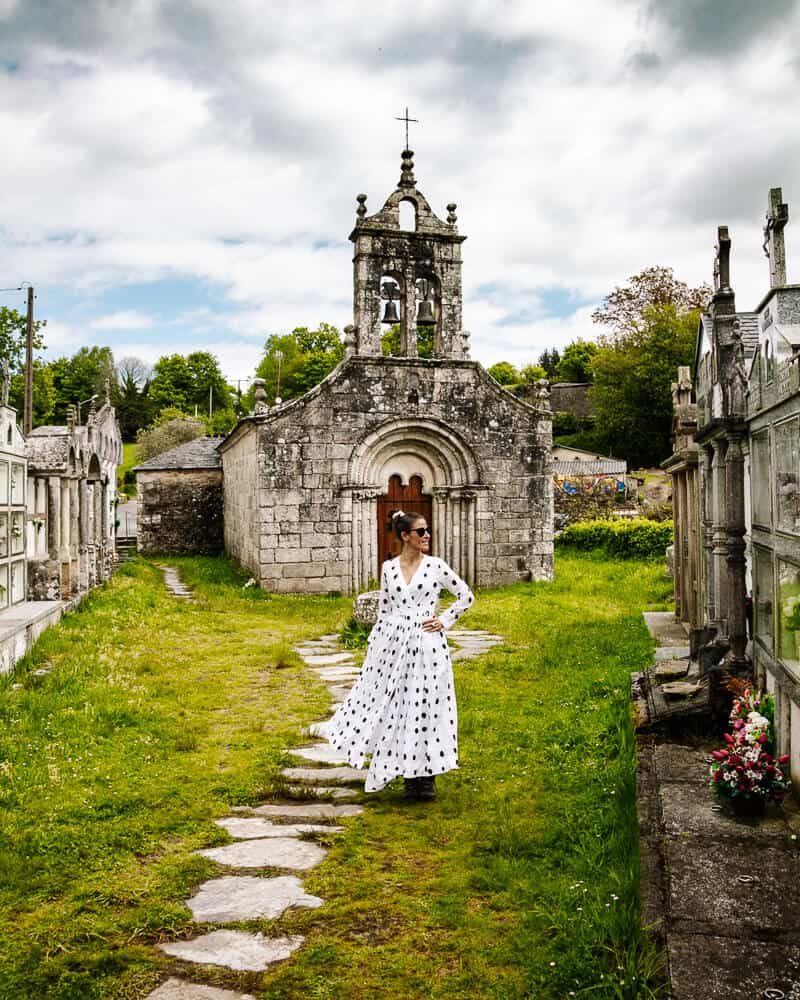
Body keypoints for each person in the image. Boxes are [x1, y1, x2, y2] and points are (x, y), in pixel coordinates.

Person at [327, 509, 474, 801]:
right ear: (405, 536)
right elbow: (385, 610)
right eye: (421, 531)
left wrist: (444, 620)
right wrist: (375, 646)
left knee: (428, 707)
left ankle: (427, 777)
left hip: (427, 646)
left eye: (427, 530)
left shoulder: (436, 566)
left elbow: (465, 596)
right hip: (394, 647)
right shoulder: (388, 568)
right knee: (401, 707)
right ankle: (409, 776)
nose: (427, 535)